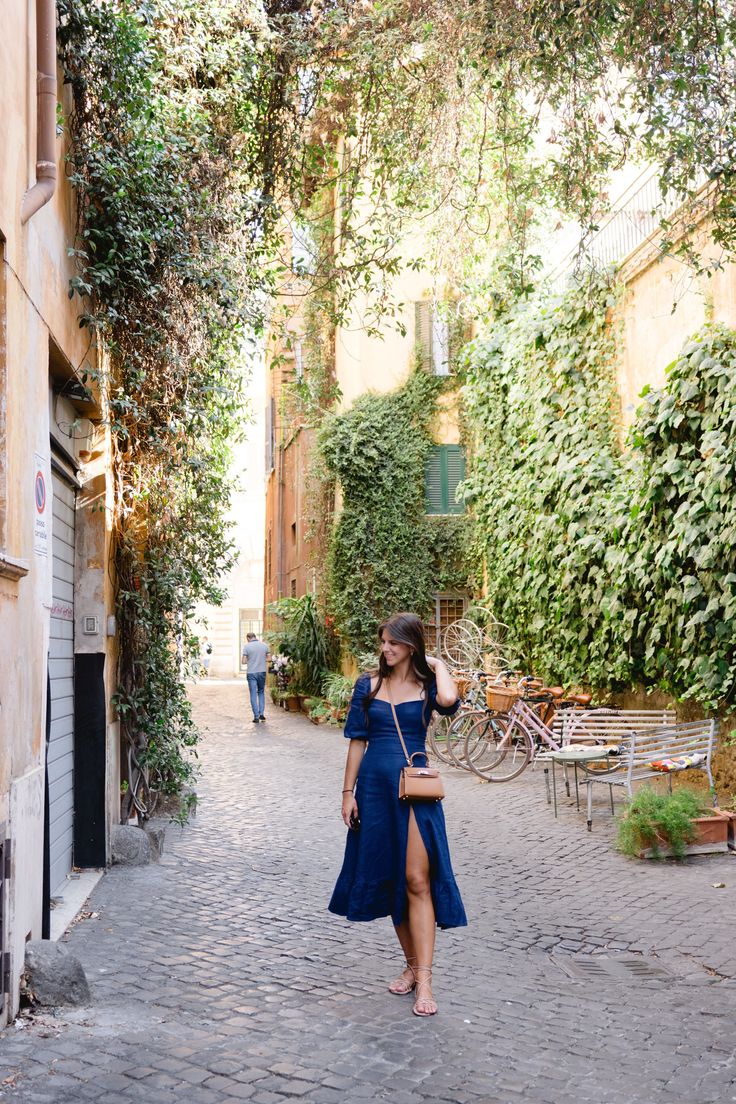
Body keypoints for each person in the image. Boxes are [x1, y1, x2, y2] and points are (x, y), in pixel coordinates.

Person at [328, 612, 467, 1017]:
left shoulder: (427, 687)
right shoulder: (367, 685)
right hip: (373, 788)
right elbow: (356, 742)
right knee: (391, 879)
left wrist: (438, 664)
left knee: (416, 879)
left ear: (411, 645)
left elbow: (449, 702)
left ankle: (425, 980)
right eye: (383, 642)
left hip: (415, 789)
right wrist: (347, 792)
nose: (386, 649)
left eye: (394, 642)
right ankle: (410, 965)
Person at [242, 632, 269, 724]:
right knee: (261, 692)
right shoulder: (264, 645)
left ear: (248, 638)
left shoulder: (247, 647)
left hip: (251, 673)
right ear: (255, 637)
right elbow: (268, 659)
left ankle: (256, 717)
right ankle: (261, 714)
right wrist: (261, 659)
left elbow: (244, 661)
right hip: (262, 672)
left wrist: (251, 659)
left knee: (253, 693)